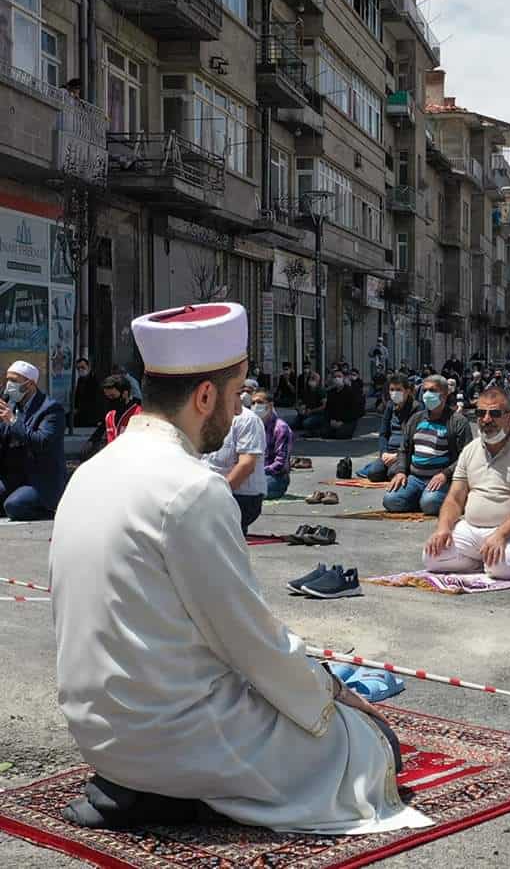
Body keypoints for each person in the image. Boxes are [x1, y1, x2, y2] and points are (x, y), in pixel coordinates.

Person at [50, 302, 427, 834]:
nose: (235, 412)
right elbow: (249, 641)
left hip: (98, 734)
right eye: (234, 396)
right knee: (372, 747)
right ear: (205, 396)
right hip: (170, 738)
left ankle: (150, 787)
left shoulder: (90, 473)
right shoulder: (193, 489)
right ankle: (179, 794)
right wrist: (327, 693)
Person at [423, 388, 510, 579]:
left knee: (502, 567)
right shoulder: (470, 450)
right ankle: (481, 562)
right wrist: (443, 528)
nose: (487, 419)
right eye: (481, 413)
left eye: (495, 413)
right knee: (431, 556)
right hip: (473, 528)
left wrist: (501, 535)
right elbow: (455, 499)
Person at [383, 375, 472, 515]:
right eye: (424, 390)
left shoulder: (457, 422)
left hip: (442, 478)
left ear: (443, 395)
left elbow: (466, 456)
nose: (426, 395)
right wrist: (400, 471)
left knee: (430, 504)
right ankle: (422, 497)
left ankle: (444, 498)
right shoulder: (416, 419)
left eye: (432, 390)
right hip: (415, 477)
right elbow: (404, 449)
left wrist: (445, 474)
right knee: (391, 500)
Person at [0, 361, 66, 521]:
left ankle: (53, 511)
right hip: (13, 476)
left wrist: (13, 422)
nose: (9, 385)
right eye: (7, 380)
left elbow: (42, 441)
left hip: (40, 481)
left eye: (14, 381)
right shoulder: (11, 405)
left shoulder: (51, 409)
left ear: (29, 384)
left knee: (14, 506)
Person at [204, 378, 267, 535]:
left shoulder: (248, 420)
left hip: (238, 495)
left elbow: (246, 465)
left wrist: (218, 494)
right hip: (208, 490)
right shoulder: (206, 419)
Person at [359, 375, 416, 482]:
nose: (395, 393)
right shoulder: (390, 405)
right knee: (373, 473)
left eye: (398, 390)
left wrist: (397, 456)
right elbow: (383, 433)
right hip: (388, 451)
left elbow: (416, 439)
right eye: (392, 390)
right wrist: (384, 452)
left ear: (407, 391)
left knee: (392, 473)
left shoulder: (416, 408)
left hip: (404, 453)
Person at [252, 389, 292, 500]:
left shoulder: (281, 428)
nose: (255, 406)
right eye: (253, 403)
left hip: (275, 477)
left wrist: (258, 471)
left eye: (259, 402)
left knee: (252, 493)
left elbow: (280, 464)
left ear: (270, 405)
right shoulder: (253, 425)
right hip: (256, 474)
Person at [305, 369, 361, 439]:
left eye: (339, 376)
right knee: (325, 434)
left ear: (343, 378)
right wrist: (331, 420)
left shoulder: (351, 392)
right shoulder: (331, 393)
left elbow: (355, 411)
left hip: (348, 420)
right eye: (335, 377)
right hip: (334, 420)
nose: (337, 378)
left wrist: (342, 421)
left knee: (341, 435)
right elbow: (328, 409)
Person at [72, 358, 105, 429]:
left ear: (88, 367)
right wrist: (76, 408)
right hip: (83, 411)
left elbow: (96, 399)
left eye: (83, 367)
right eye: (78, 368)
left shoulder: (95, 379)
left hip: (92, 413)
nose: (80, 370)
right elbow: (77, 395)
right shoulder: (80, 379)